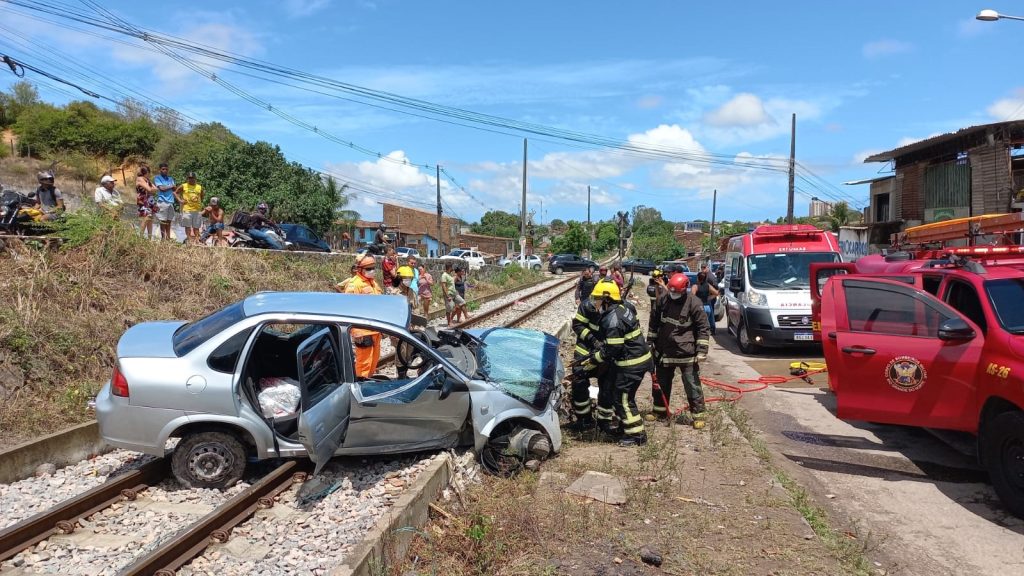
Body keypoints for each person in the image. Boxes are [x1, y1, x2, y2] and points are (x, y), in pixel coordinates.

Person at [590, 280, 653, 446]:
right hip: (635, 360)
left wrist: (595, 359)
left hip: (632, 363)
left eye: (596, 298)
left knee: (623, 399)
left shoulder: (612, 318)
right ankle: (626, 427)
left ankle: (637, 435)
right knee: (624, 397)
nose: (594, 302)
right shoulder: (622, 309)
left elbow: (614, 348)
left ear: (606, 299)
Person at [647, 273, 711, 429]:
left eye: (676, 292)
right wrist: (650, 343)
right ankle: (660, 411)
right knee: (661, 383)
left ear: (684, 290)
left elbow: (703, 327)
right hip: (664, 351)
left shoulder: (694, 303)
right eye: (671, 291)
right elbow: (654, 321)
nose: (673, 295)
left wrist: (702, 350)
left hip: (686, 352)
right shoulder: (663, 299)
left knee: (692, 384)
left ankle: (698, 415)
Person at [564, 286, 604, 432]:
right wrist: (593, 340)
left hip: (605, 354)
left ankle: (604, 422)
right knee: (579, 382)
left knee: (607, 385)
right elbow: (577, 325)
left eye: (599, 300)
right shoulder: (586, 305)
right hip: (585, 351)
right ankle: (583, 420)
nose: (595, 303)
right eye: (595, 299)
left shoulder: (616, 311)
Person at [344, 255, 383, 377]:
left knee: (373, 361)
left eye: (373, 268)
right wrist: (355, 331)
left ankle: (367, 382)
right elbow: (348, 309)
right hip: (363, 331)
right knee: (364, 362)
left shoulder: (373, 283)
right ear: (360, 269)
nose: (372, 270)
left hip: (376, 330)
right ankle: (360, 386)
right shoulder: (354, 284)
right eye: (369, 268)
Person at [175, 172, 204, 245]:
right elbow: (175, 192)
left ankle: (197, 240)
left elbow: (202, 196)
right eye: (189, 178)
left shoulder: (199, 187)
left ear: (195, 178)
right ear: (187, 179)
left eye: (192, 178)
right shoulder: (184, 186)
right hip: (187, 209)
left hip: (197, 210)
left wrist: (199, 203)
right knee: (187, 226)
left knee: (196, 226)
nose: (191, 179)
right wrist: (180, 200)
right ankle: (189, 239)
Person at [153, 162, 177, 241]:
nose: (165, 171)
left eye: (166, 169)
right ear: (160, 170)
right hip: (162, 201)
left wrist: (171, 187)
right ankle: (163, 238)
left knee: (169, 220)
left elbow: (174, 189)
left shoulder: (170, 178)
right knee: (163, 221)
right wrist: (171, 186)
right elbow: (162, 188)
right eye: (163, 169)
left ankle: (168, 238)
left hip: (170, 201)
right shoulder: (157, 178)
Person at [692, 270, 720, 335]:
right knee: (708, 321)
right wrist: (709, 298)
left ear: (698, 278)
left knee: (698, 323)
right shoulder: (708, 285)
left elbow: (692, 297)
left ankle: (700, 334)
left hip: (699, 307)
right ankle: (711, 331)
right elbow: (717, 293)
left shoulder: (695, 286)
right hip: (707, 307)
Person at [135, 165, 157, 239]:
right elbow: (150, 189)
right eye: (148, 172)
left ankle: (149, 238)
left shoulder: (147, 180)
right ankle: (140, 237)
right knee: (146, 218)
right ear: (146, 172)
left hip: (150, 200)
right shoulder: (140, 179)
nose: (149, 174)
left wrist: (151, 189)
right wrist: (151, 189)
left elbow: (155, 189)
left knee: (150, 219)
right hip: (143, 200)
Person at [441, 261, 459, 326]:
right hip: (448, 294)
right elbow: (444, 286)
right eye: (452, 267)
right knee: (449, 309)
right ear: (450, 267)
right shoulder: (444, 275)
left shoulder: (449, 275)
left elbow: (451, 284)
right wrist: (447, 295)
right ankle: (449, 322)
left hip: (453, 293)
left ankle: (451, 320)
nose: (453, 269)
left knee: (459, 305)